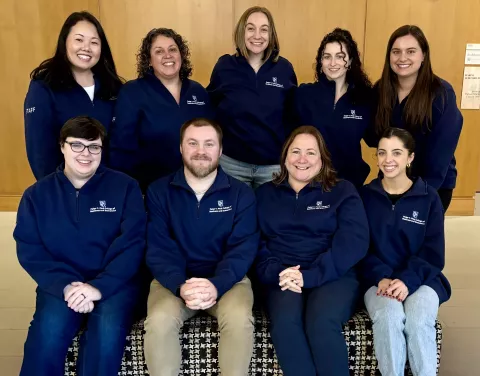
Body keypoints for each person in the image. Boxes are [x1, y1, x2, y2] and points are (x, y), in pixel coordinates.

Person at [14, 116, 146, 376]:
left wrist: (99, 287)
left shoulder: (126, 187)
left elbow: (133, 243)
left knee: (107, 331)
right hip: (62, 286)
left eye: (93, 146)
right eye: (77, 145)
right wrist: (66, 286)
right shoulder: (36, 195)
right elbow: (31, 250)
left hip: (116, 285)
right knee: (46, 335)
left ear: (101, 150)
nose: (85, 154)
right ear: (62, 146)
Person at [144, 118, 259, 376]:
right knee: (160, 321)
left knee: (239, 318)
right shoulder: (158, 191)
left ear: (220, 150)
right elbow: (159, 247)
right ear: (181, 148)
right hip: (172, 281)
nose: (201, 151)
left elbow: (243, 247)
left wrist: (216, 284)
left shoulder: (241, 194)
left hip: (229, 282)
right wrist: (180, 284)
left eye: (209, 144)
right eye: (192, 143)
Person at [255, 126, 369, 376]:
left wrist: (311, 275)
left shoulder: (342, 191)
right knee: (285, 323)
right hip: (282, 275)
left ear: (322, 159)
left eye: (310, 152)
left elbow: (354, 242)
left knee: (321, 322)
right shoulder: (265, 194)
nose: (302, 159)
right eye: (295, 151)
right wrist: (277, 272)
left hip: (333, 274)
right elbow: (255, 242)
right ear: (285, 157)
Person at [361, 127, 451, 376]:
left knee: (418, 319)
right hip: (378, 280)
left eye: (397, 153)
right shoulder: (365, 197)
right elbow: (359, 247)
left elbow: (433, 252)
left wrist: (407, 280)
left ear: (410, 157)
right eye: (382, 153)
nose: (388, 160)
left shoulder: (429, 198)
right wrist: (382, 276)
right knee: (389, 318)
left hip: (422, 278)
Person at [370, 25, 463, 210]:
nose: (402, 58)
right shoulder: (381, 90)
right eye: (396, 52)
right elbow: (373, 135)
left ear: (423, 56)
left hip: (432, 184)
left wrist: (422, 195)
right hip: (391, 179)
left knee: (418, 236)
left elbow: (440, 154)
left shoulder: (441, 94)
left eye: (410, 51)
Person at [109, 28, 213, 192]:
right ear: (149, 60)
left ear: (181, 55)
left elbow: (210, 139)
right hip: (150, 190)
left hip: (196, 189)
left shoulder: (198, 91)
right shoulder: (133, 92)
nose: (168, 55)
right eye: (159, 51)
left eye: (173, 49)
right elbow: (121, 149)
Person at [25, 11, 123, 180]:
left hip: (110, 189)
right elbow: (39, 152)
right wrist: (59, 192)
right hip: (66, 190)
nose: (86, 47)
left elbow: (121, 144)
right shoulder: (44, 86)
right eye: (79, 40)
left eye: (94, 42)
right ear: (65, 42)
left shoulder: (114, 87)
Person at [207, 6, 297, 188]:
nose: (257, 35)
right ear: (242, 32)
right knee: (234, 216)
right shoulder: (225, 66)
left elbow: (292, 115)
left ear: (271, 35)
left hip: (272, 167)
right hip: (232, 165)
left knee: (269, 217)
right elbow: (210, 109)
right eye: (250, 28)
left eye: (264, 29)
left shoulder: (284, 69)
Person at [294, 28, 373, 188]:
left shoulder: (364, 99)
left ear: (350, 61)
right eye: (327, 57)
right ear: (320, 62)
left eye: (340, 57)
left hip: (349, 185)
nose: (332, 63)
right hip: (311, 184)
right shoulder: (304, 95)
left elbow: (375, 138)